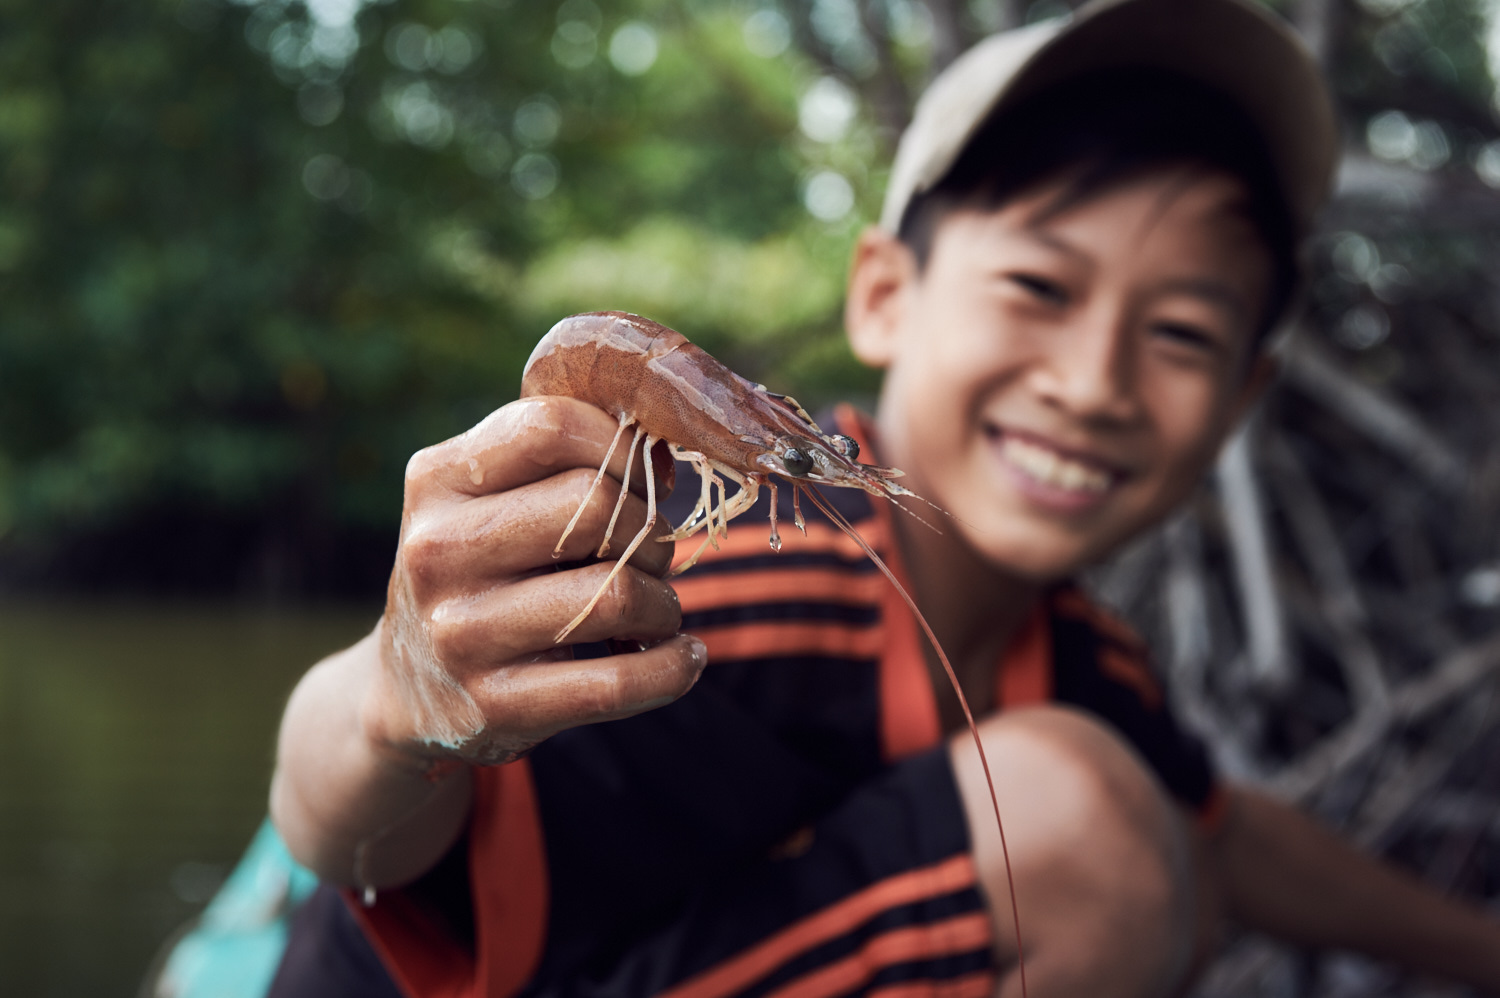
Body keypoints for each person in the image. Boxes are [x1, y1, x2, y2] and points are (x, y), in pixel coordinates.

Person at [262, 0, 1500, 995]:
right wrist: (389, 696)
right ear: (883, 296)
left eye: (1180, 332)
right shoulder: (739, 583)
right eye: (1037, 285)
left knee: (1174, 868)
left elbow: (1230, 832)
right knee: (1088, 841)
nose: (1092, 382)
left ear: (1242, 396)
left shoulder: (1077, 655)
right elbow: (352, 837)